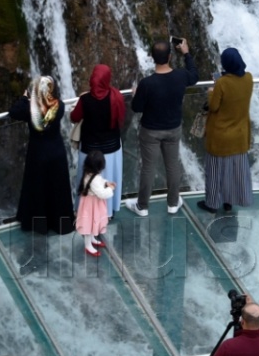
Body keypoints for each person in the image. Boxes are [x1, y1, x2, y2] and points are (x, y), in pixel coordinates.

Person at [127, 37, 198, 216]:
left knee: (148, 168)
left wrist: (136, 94)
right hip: (173, 128)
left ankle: (142, 206)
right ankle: (173, 203)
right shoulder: (181, 76)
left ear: (152, 57)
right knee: (172, 165)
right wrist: (187, 53)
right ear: (170, 56)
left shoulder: (147, 83)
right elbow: (194, 76)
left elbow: (136, 108)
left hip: (150, 131)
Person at [10, 76, 74, 234]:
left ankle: (39, 225)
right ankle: (59, 223)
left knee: (38, 188)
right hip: (57, 152)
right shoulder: (59, 106)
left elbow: (13, 112)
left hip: (38, 153)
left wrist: (25, 97)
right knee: (57, 188)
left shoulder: (30, 110)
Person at [199, 47, 254, 213]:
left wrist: (211, 92)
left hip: (221, 137)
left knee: (215, 172)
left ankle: (212, 204)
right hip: (240, 135)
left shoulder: (222, 83)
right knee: (233, 172)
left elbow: (214, 106)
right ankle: (229, 202)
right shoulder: (249, 78)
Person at [70, 64, 126, 207]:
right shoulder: (116, 96)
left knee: (88, 180)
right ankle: (110, 209)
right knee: (110, 177)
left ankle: (84, 210)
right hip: (112, 147)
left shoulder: (85, 100)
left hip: (90, 149)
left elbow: (74, 117)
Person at [74, 151, 115, 256]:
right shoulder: (94, 178)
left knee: (92, 222)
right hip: (92, 205)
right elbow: (101, 193)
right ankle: (88, 245)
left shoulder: (89, 173)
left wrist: (105, 183)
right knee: (89, 225)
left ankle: (92, 239)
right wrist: (110, 189)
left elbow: (99, 181)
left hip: (91, 204)